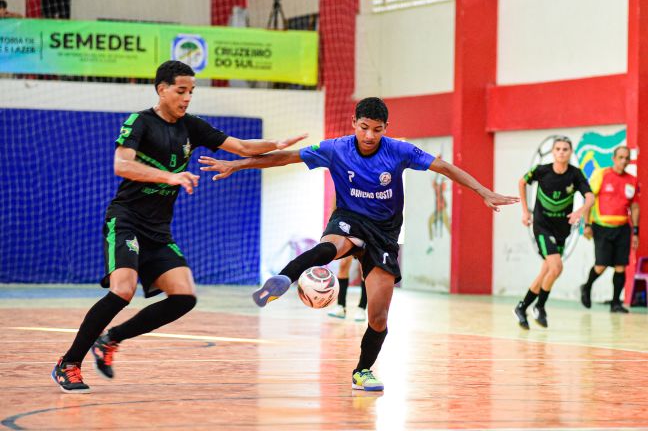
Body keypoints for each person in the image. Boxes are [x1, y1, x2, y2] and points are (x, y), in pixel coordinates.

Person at [199, 97, 519, 391]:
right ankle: (284, 278)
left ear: (386, 129)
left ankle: (362, 371)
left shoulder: (399, 151)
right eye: (364, 128)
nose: (369, 136)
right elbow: (285, 157)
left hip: (385, 233)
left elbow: (444, 167)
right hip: (350, 217)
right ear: (354, 122)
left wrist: (484, 192)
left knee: (378, 317)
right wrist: (237, 164)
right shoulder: (336, 148)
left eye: (376, 130)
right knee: (332, 247)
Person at [51, 60, 306, 393]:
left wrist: (276, 143)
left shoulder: (192, 127)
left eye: (191, 91)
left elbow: (242, 147)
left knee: (184, 297)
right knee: (122, 290)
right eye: (181, 90)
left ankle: (111, 339)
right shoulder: (139, 122)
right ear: (162, 89)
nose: (187, 98)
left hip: (158, 229)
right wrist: (169, 176)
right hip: (126, 219)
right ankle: (69, 363)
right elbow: (122, 165)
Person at [514, 136, 594, 330]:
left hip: (562, 229)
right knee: (556, 267)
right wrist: (525, 211)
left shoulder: (575, 174)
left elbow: (590, 197)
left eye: (565, 149)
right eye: (557, 149)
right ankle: (540, 307)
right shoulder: (542, 171)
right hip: (542, 226)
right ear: (552, 152)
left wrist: (579, 212)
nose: (561, 152)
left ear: (570, 152)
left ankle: (522, 306)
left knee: (546, 271)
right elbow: (522, 182)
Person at [579, 146, 639, 313]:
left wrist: (636, 232)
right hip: (602, 227)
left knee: (621, 266)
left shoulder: (632, 180)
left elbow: (634, 207)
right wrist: (587, 224)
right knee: (601, 265)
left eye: (626, 158)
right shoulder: (602, 175)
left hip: (623, 228)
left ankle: (615, 303)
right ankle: (586, 287)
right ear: (613, 158)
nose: (623, 161)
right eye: (620, 157)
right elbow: (589, 199)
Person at [327, 255, 368, 321]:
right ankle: (341, 306)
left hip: (367, 244)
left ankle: (362, 308)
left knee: (364, 268)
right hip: (353, 243)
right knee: (343, 264)